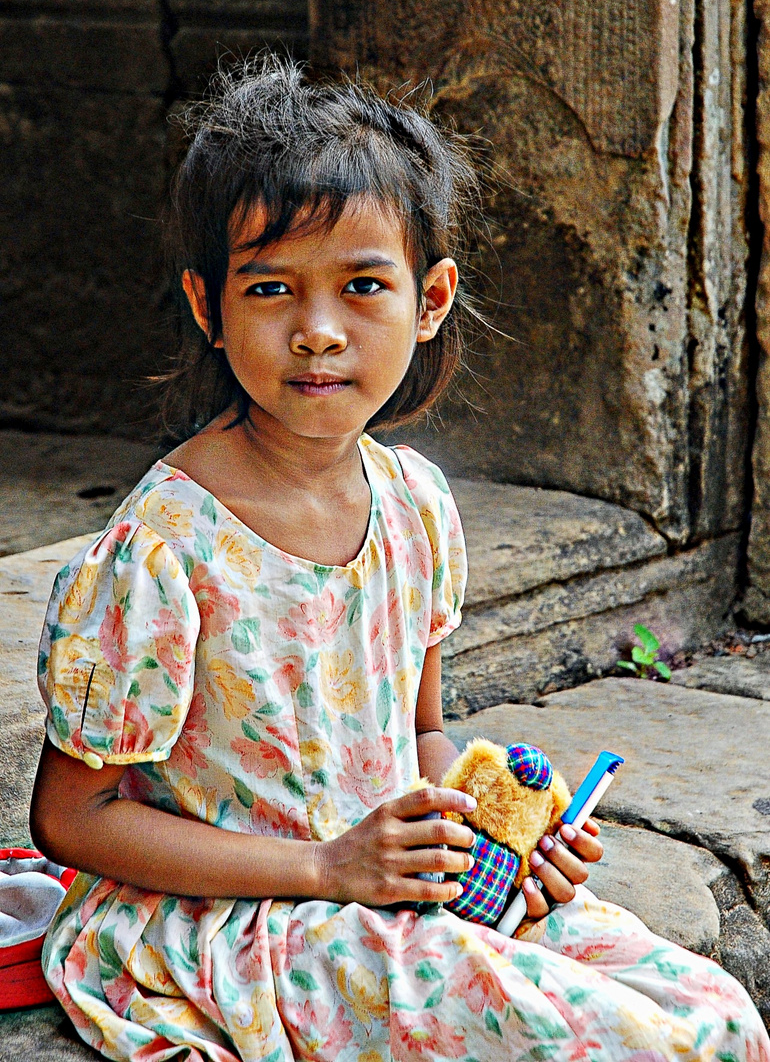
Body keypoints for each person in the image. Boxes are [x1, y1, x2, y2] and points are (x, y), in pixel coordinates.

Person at [30, 56, 769, 1062]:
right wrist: (328, 866)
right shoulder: (160, 553)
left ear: (428, 303)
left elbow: (417, 738)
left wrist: (501, 837)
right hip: (246, 921)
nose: (317, 331)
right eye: (272, 288)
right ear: (209, 306)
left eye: (363, 285)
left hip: (393, 886)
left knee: (715, 1019)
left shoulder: (415, 505)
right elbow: (74, 820)